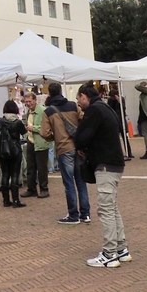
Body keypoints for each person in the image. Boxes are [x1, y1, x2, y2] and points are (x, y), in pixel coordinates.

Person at [73, 84, 130, 269]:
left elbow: (81, 137)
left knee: (106, 209)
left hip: (105, 164)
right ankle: (121, 249)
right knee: (112, 207)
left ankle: (109, 253)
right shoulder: (105, 107)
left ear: (84, 96)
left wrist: (81, 144)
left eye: (78, 98)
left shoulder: (94, 110)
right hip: (114, 163)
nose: (78, 103)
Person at [40, 82, 90, 225]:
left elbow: (44, 133)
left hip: (63, 148)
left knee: (69, 183)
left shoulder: (48, 111)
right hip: (78, 146)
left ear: (49, 93)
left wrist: (55, 136)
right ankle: (85, 214)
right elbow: (83, 119)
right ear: (61, 91)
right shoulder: (73, 105)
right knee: (81, 181)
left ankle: (73, 214)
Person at [0, 100, 27, 207]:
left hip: (3, 150)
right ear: (15, 110)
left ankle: (6, 200)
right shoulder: (18, 122)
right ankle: (16, 200)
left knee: (5, 174)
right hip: (15, 150)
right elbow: (24, 134)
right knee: (15, 174)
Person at [22, 92, 50, 199]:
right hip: (30, 141)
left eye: (30, 101)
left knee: (42, 168)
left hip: (41, 142)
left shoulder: (43, 111)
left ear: (35, 100)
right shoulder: (29, 112)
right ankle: (31, 188)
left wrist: (33, 128)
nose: (28, 104)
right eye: (26, 102)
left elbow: (46, 128)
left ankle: (44, 189)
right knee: (30, 167)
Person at [107, 85, 133, 160]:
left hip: (121, 119)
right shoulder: (110, 100)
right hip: (115, 119)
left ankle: (129, 152)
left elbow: (124, 108)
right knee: (115, 138)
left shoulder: (121, 99)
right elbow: (110, 108)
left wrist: (119, 101)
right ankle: (118, 153)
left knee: (125, 137)